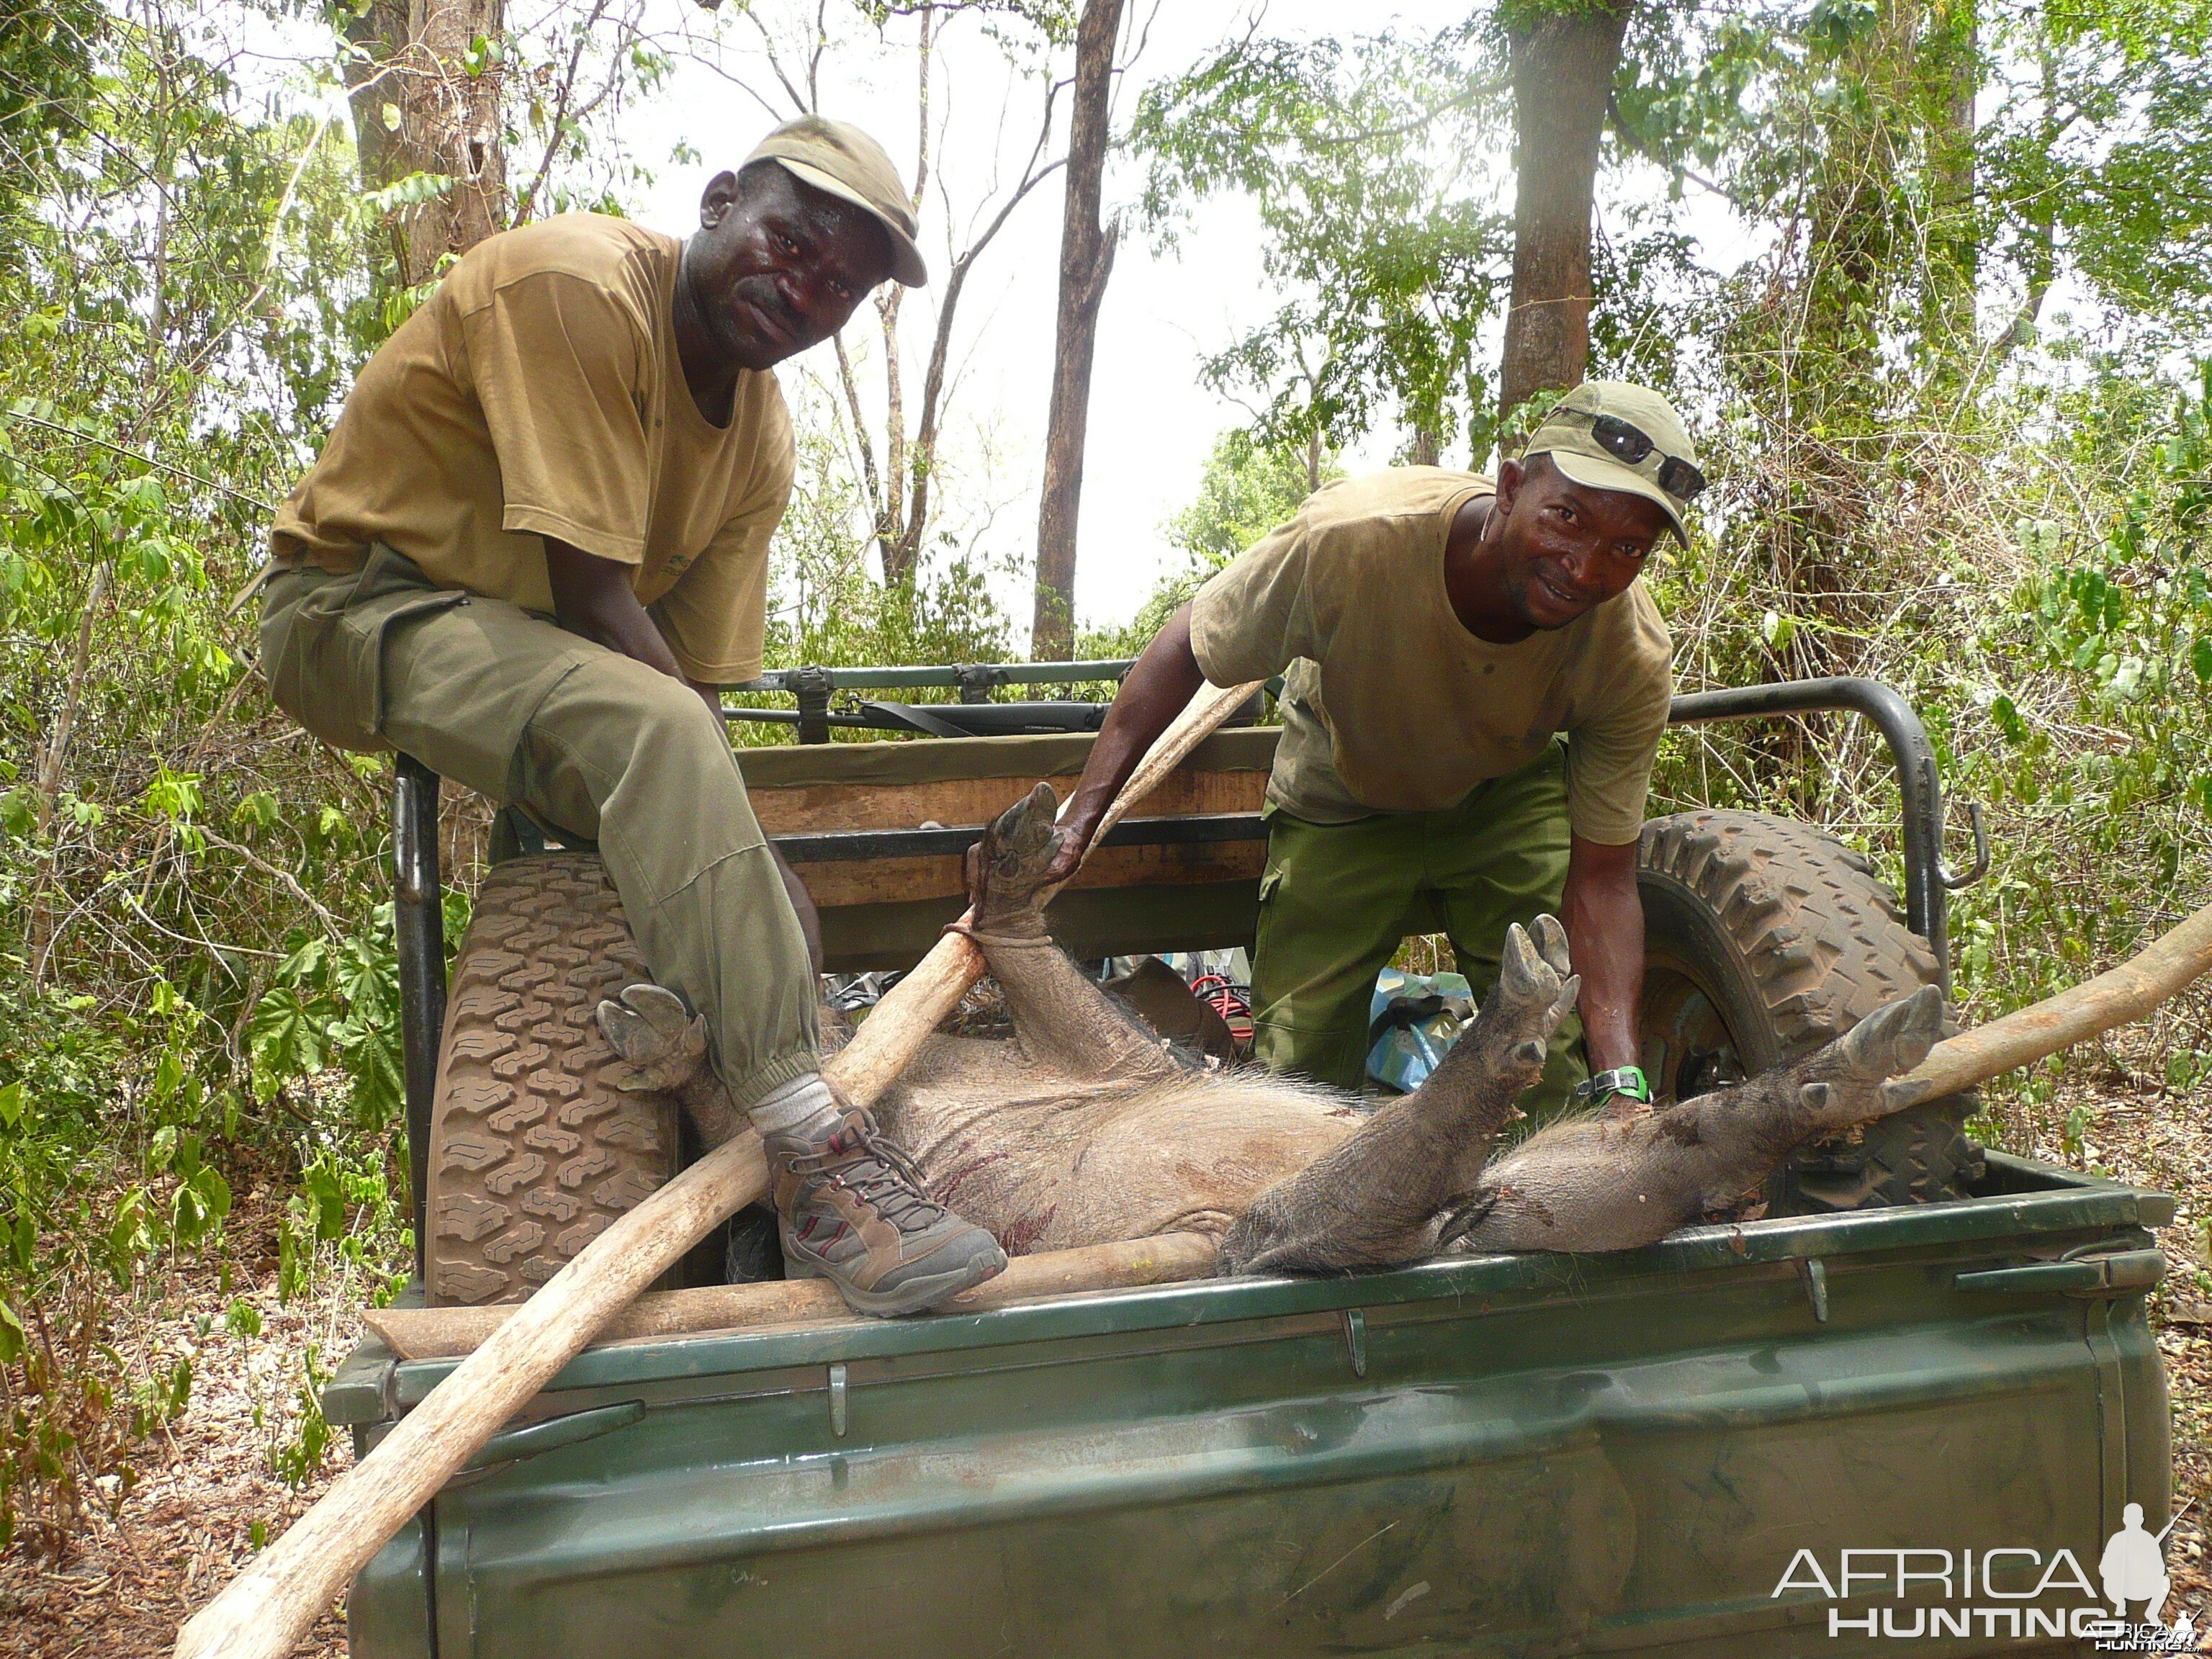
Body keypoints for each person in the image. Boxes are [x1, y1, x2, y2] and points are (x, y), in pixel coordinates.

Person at [258, 116, 1006, 1316]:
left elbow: (694, 690)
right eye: (792, 242)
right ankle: (820, 1156)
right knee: (661, 746)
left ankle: (729, 1068)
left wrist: (738, 875)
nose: (805, 288)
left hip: (529, 645)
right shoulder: (574, 285)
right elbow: (597, 598)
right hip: (359, 604)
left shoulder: (759, 440)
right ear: (717, 203)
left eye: (841, 285)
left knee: (682, 786)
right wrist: (755, 865)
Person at [1044, 383, 1701, 1117]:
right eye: (1567, 518)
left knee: (1551, 1061)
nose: (1585, 568)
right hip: (1343, 794)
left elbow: (1605, 882)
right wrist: (1080, 819)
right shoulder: (1357, 540)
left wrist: (1621, 1086)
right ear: (1512, 486)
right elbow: (1189, 643)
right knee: (1297, 1084)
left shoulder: (1629, 652)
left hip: (1501, 797)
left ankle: (1543, 1210)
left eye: (1626, 549)